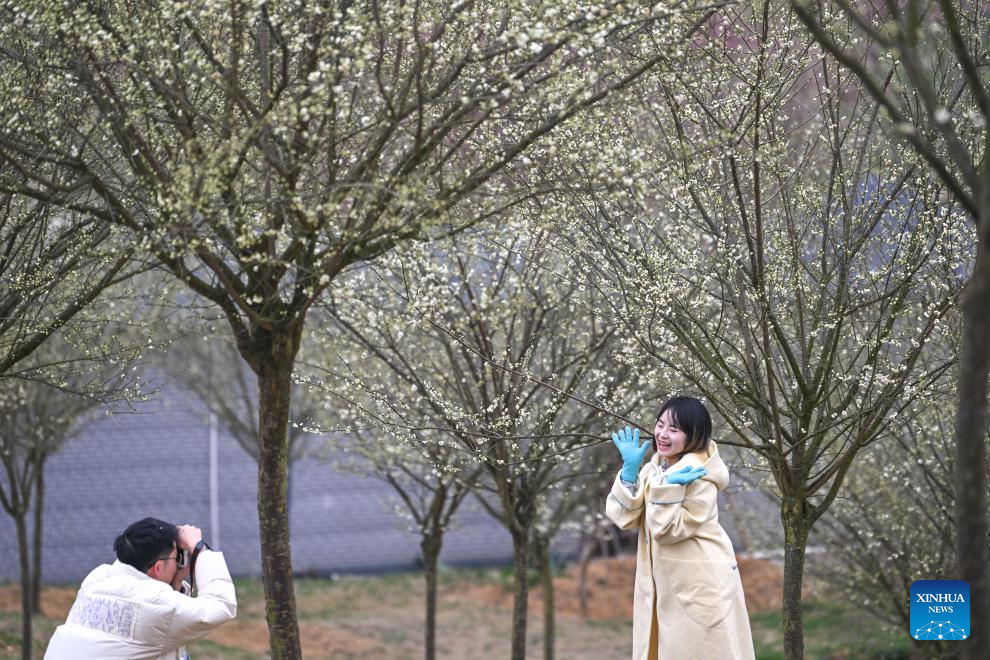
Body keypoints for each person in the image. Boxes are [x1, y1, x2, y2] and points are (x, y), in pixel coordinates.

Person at [605, 395, 755, 660]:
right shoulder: (658, 468)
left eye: (673, 429)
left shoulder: (699, 476)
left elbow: (668, 531)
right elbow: (626, 518)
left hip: (699, 584)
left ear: (694, 436)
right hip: (668, 585)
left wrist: (669, 488)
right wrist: (630, 472)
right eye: (660, 424)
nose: (662, 434)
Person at [44, 517, 237, 660]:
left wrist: (176, 581)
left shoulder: (97, 579)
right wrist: (200, 549)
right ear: (158, 568)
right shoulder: (156, 602)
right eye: (175, 556)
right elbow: (222, 605)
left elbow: (154, 632)